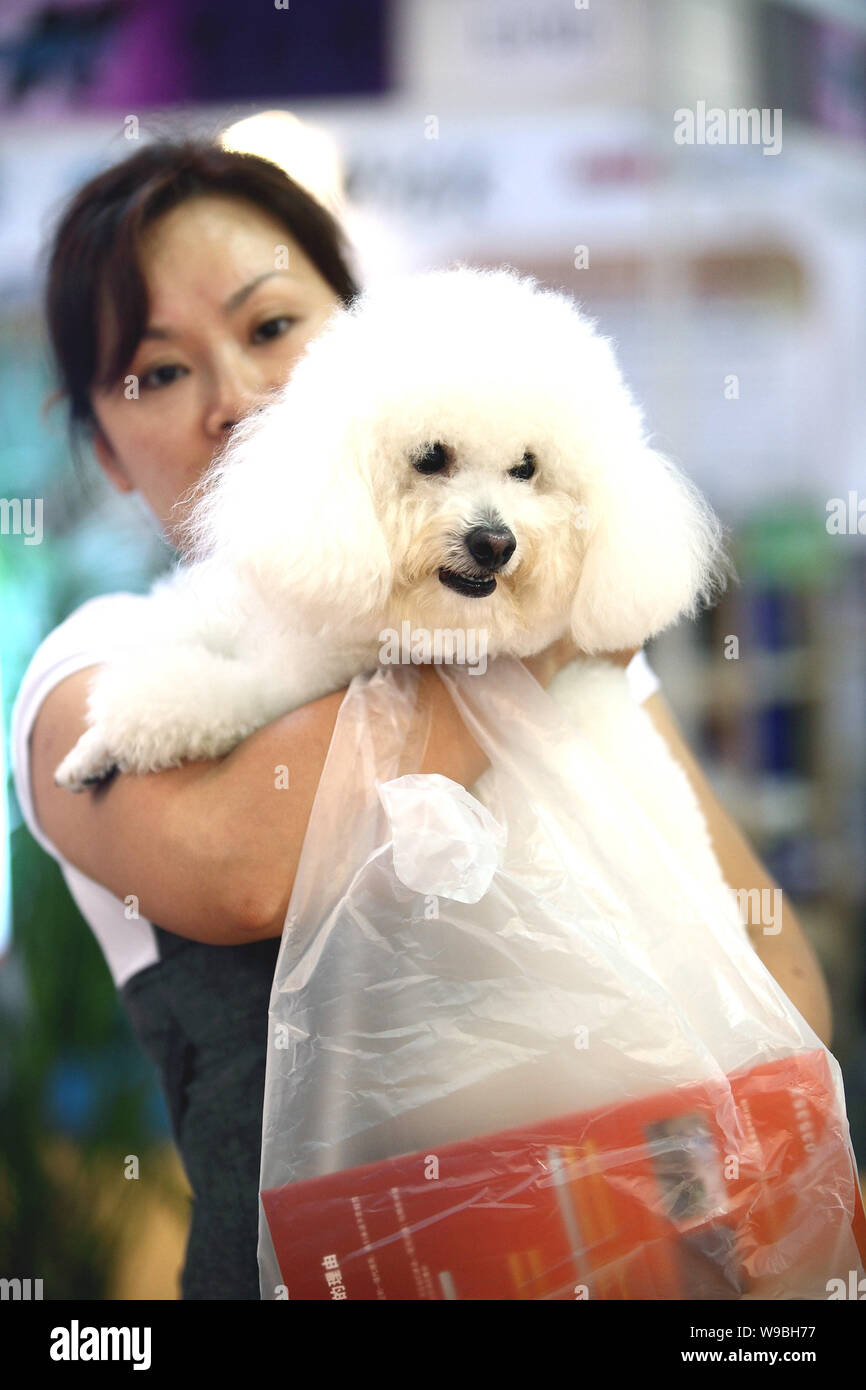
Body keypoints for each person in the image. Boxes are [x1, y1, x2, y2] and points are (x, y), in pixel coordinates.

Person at [10, 139, 832, 1301]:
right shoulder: (101, 659)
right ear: (102, 446)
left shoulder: (569, 627)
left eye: (271, 327)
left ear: (360, 339)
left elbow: (776, 973)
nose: (234, 401)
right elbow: (247, 870)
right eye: (156, 373)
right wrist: (537, 638)